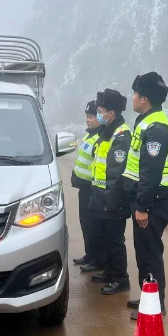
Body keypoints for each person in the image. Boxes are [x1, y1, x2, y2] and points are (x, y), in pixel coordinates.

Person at [123, 72, 168, 320]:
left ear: (144, 99)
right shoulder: (145, 121)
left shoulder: (157, 129)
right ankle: (147, 295)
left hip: (152, 204)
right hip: (145, 201)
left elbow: (151, 173)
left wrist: (142, 206)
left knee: (150, 253)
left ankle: (155, 306)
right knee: (143, 252)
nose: (131, 98)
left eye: (134, 95)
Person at [87, 89, 132, 295]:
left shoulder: (121, 135)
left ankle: (121, 278)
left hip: (113, 199)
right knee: (105, 237)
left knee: (115, 241)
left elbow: (116, 172)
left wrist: (110, 200)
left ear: (111, 113)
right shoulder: (106, 132)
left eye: (100, 111)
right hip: (101, 195)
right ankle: (110, 271)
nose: (97, 115)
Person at [71, 100, 103, 268]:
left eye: (91, 116)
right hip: (84, 188)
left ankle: (97, 259)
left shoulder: (99, 138)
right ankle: (90, 255)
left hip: (92, 189)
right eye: (87, 116)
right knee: (85, 223)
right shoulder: (89, 135)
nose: (88, 120)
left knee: (93, 226)